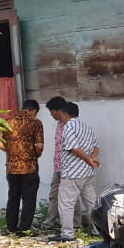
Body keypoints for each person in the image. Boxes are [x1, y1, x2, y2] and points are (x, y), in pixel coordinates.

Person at [49, 100, 100, 242]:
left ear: (64, 114)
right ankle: (98, 230)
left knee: (66, 203)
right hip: (88, 172)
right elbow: (96, 147)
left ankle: (67, 233)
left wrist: (88, 160)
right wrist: (91, 159)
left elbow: (73, 148)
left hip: (73, 171)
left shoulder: (68, 127)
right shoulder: (86, 126)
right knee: (91, 202)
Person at [0, 99, 44, 235]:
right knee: (29, 199)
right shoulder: (35, 123)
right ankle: (24, 229)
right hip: (29, 167)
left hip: (12, 167)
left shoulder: (8, 121)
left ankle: (11, 227)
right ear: (33, 111)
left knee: (13, 197)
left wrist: (12, 152)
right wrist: (35, 155)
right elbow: (39, 145)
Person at [38, 96, 69, 236]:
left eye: (52, 112)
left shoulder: (69, 126)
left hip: (67, 167)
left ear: (59, 111)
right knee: (55, 195)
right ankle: (50, 222)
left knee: (69, 197)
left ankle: (75, 224)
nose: (51, 115)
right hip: (58, 166)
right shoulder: (59, 124)